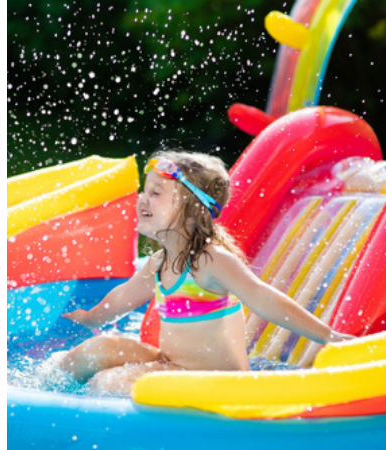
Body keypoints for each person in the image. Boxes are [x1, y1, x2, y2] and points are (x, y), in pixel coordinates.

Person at [58, 150, 353, 395]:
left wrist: (327, 335)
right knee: (98, 349)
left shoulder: (211, 260)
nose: (142, 199)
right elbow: (122, 297)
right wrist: (90, 318)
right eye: (144, 191)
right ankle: (44, 384)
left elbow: (263, 299)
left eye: (156, 193)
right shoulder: (158, 263)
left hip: (215, 382)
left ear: (192, 211)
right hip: (173, 365)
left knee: (107, 383)